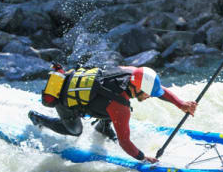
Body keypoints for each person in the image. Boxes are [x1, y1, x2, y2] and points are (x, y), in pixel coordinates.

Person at [28, 65, 197, 163]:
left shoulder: (133, 73)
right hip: (65, 99)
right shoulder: (120, 107)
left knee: (108, 107)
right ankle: (39, 119)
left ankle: (102, 127)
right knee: (75, 131)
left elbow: (158, 90)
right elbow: (125, 143)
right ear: (137, 88)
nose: (149, 96)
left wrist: (180, 104)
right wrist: (143, 157)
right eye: (147, 93)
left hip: (79, 81)